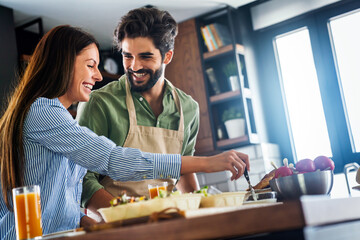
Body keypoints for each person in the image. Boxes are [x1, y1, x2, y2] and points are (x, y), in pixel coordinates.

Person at [0, 25, 249, 238]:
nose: (98, 76)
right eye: (90, 65)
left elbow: (57, 196)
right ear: (64, 64)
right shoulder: (43, 111)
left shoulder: (60, 117)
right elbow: (113, 159)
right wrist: (206, 163)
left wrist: (89, 223)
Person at [77, 7, 201, 219]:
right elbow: (81, 179)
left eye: (145, 57)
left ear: (167, 56)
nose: (134, 66)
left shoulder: (188, 109)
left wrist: (203, 213)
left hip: (170, 225)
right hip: (115, 228)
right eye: (128, 56)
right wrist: (131, 217)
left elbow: (183, 169)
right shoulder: (99, 103)